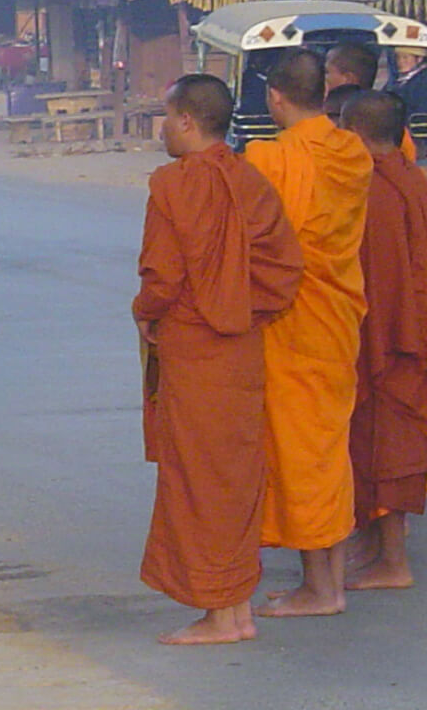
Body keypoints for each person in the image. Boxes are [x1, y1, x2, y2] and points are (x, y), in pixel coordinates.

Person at [134, 74, 304, 645]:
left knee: (196, 479)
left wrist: (145, 312)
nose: (162, 128)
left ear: (186, 121)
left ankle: (220, 614)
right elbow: (284, 269)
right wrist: (243, 306)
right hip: (241, 351)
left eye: (166, 117)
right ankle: (237, 610)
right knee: (234, 476)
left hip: (193, 349)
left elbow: (162, 277)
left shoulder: (174, 185)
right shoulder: (250, 181)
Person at [243, 47, 373, 618]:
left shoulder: (269, 159)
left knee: (302, 452)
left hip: (292, 320)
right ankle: (326, 580)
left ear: (275, 98)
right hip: (336, 314)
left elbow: (262, 245)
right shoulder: (351, 152)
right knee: (326, 448)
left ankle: (321, 589)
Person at [338, 91, 427, 590]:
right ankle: (373, 546)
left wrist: (369, 342)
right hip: (413, 333)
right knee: (375, 444)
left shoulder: (379, 191)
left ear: (354, 134)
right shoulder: (409, 178)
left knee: (386, 445)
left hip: (393, 342)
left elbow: (381, 278)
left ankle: (393, 561)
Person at [326, 42, 418, 161]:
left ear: (348, 78)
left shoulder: (327, 127)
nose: (322, 78)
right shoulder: (393, 125)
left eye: (326, 72)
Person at [384, 47, 427, 160]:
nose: (400, 62)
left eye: (405, 58)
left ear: (419, 59)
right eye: (398, 58)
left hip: (417, 143)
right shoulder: (395, 82)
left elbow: (426, 114)